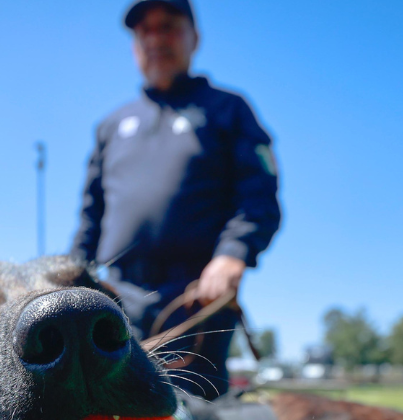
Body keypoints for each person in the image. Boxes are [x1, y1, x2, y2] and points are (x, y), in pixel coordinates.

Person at [69, 0, 282, 399]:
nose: (155, 39)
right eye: (144, 32)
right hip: (117, 297)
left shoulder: (228, 110)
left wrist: (232, 254)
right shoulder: (112, 126)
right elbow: (89, 217)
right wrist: (70, 277)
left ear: (194, 37)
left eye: (168, 27)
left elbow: (259, 196)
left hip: (195, 298)